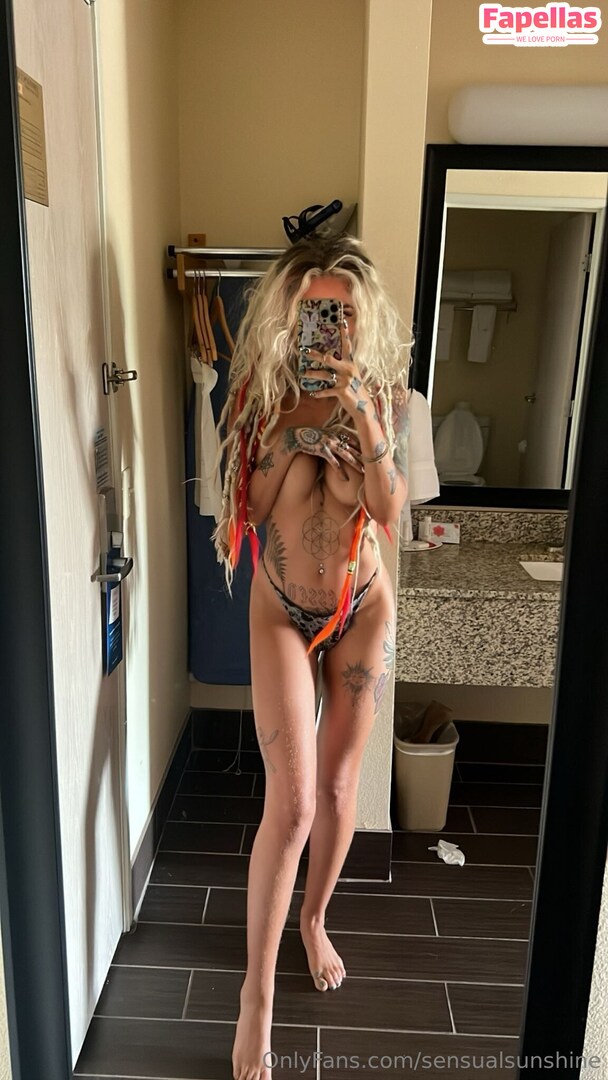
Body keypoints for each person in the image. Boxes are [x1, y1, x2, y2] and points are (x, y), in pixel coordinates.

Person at [211, 232, 411, 1080]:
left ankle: (313, 920)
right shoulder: (261, 395)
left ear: (363, 320)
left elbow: (390, 511)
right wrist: (295, 438)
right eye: (313, 311)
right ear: (289, 316)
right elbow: (251, 507)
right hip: (282, 612)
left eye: (343, 313)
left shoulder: (386, 396)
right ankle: (256, 999)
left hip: (360, 609)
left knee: (336, 791)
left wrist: (362, 418)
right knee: (291, 806)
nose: (328, 326)